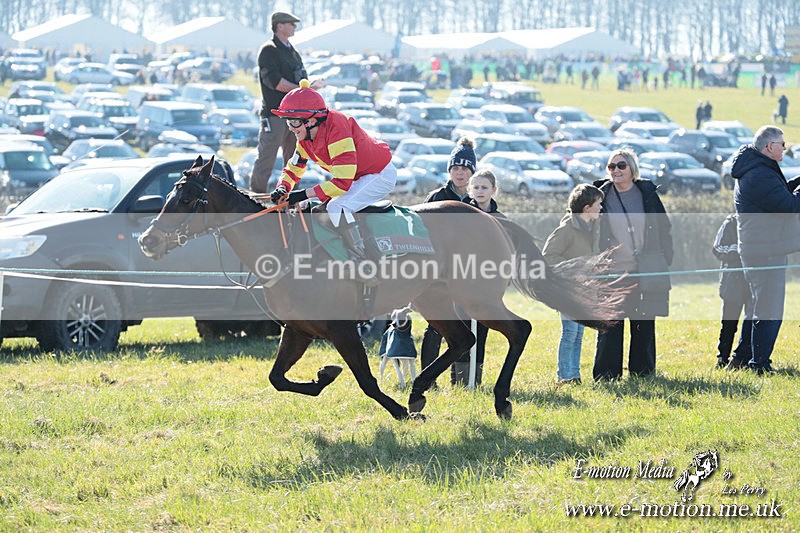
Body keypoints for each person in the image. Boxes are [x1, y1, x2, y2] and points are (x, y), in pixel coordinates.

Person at [268, 80, 396, 264]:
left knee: (337, 207)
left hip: (379, 174)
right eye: (288, 121)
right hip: (357, 177)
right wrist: (283, 188)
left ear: (311, 120)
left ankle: (363, 260)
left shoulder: (338, 130)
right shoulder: (305, 138)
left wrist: (302, 194)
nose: (290, 128)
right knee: (316, 208)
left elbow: (342, 183)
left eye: (294, 122)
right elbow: (294, 167)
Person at [592, 149, 674, 380]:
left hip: (644, 270)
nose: (615, 171)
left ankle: (643, 373)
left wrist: (665, 257)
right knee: (610, 326)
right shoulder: (600, 195)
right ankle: (607, 376)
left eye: (621, 166)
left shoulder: (647, 193)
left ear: (631, 169)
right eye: (611, 167)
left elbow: (664, 226)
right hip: (612, 272)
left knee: (643, 324)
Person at [729, 126, 800, 374]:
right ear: (770, 147)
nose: (785, 147)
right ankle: (759, 364)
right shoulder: (759, 173)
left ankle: (742, 358)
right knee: (769, 309)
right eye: (782, 143)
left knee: (757, 306)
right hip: (765, 250)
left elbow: (777, 192)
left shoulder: (756, 167)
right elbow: (788, 205)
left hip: (759, 248)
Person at [419, 137, 479, 385]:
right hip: (438, 271)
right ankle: (428, 379)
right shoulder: (436, 198)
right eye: (456, 168)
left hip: (467, 272)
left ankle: (462, 380)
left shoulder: (476, 200)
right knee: (436, 326)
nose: (460, 172)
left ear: (472, 172)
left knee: (465, 325)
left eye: (464, 168)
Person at [542, 184, 604, 384]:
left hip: (585, 288)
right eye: (598, 204)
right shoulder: (567, 228)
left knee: (578, 333)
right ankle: (564, 376)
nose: (601, 208)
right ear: (587, 208)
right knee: (569, 332)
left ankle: (574, 375)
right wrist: (572, 270)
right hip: (567, 288)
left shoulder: (593, 226)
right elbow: (548, 256)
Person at [251, 11, 319, 193]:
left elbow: (301, 77)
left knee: (295, 160)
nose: (294, 26)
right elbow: (275, 82)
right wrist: (302, 88)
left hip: (295, 116)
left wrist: (308, 87)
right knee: (267, 159)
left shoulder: (292, 51)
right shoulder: (269, 50)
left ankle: (289, 198)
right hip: (275, 115)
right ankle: (255, 199)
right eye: (291, 23)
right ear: (279, 26)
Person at [712, 213, 752, 369]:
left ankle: (748, 357)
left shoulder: (758, 222)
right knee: (729, 323)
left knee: (752, 321)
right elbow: (717, 248)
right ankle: (722, 357)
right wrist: (737, 250)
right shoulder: (731, 222)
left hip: (753, 280)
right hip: (733, 282)